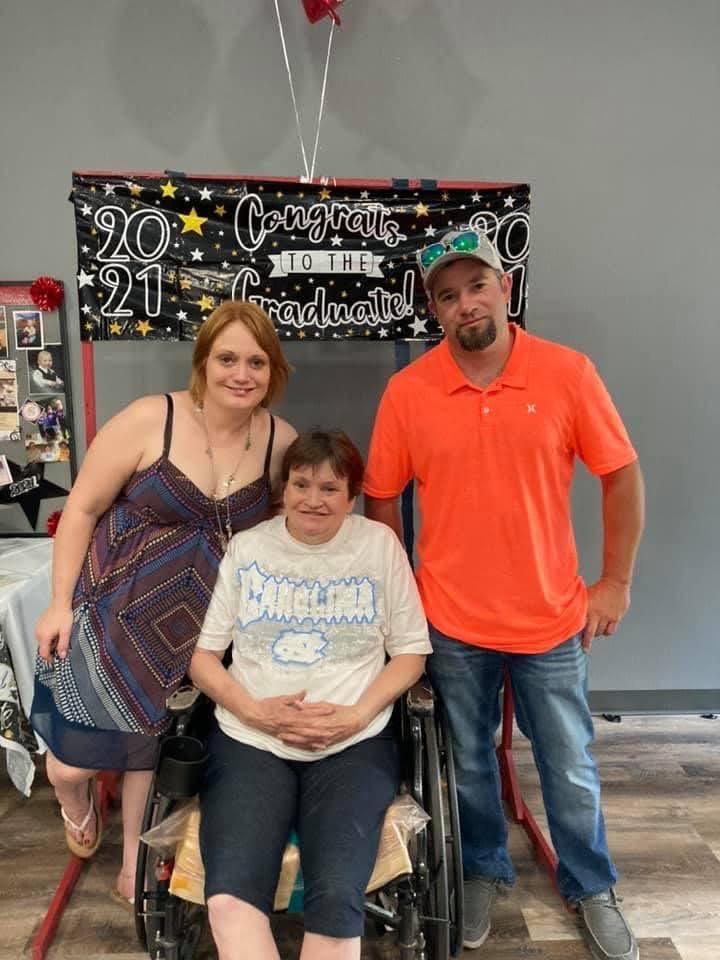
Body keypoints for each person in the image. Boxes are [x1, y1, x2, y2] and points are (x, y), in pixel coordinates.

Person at [363, 228, 645, 960]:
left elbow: (620, 474)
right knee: (468, 762)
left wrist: (614, 583)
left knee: (570, 764)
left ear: (505, 288)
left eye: (477, 286)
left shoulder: (567, 373)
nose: (466, 305)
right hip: (451, 623)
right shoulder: (409, 391)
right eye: (447, 296)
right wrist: (404, 599)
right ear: (434, 310)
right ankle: (483, 867)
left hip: (551, 618)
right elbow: (382, 498)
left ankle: (591, 883)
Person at [31, 300, 297, 909]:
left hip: (195, 627)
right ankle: (73, 803)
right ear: (203, 363)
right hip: (111, 607)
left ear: (272, 370)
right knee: (72, 766)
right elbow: (82, 509)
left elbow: (285, 531)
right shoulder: (152, 418)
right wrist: (58, 603)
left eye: (256, 362)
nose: (241, 374)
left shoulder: (279, 440)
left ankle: (135, 862)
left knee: (148, 750)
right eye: (227, 359)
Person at [189, 430, 431, 960]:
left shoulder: (378, 547)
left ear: (353, 496)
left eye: (329, 488)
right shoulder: (250, 548)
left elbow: (411, 653)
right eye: (301, 484)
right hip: (250, 741)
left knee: (338, 897)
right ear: (284, 489)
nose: (313, 500)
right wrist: (256, 713)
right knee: (229, 899)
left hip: (354, 743)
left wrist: (356, 715)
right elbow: (202, 659)